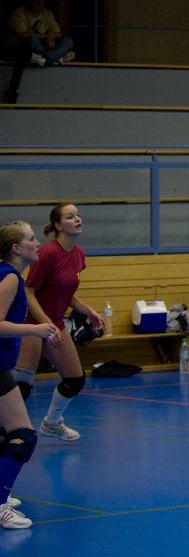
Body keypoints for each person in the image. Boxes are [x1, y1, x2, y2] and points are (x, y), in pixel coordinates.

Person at [13, 204, 104, 441]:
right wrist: (46, 325)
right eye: (70, 216)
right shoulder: (47, 253)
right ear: (57, 225)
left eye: (78, 215)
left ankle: (52, 423)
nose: (77, 219)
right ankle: (6, 431)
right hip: (31, 324)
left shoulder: (79, 254)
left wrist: (89, 311)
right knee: (21, 388)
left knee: (75, 379)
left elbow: (66, 292)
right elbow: (28, 292)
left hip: (55, 325)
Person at [1, 221, 61, 529]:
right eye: (31, 239)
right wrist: (33, 329)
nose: (37, 243)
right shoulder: (10, 277)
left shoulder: (8, 274)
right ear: (16, 248)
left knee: (4, 434)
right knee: (23, 435)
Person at [3, 0, 75, 103]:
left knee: (68, 41)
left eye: (42, 2)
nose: (40, 5)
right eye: (37, 1)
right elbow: (24, 35)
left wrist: (51, 37)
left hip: (44, 46)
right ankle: (57, 56)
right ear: (29, 1)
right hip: (26, 47)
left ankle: (49, 57)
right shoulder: (18, 13)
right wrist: (46, 36)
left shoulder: (47, 14)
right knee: (32, 41)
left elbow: (59, 33)